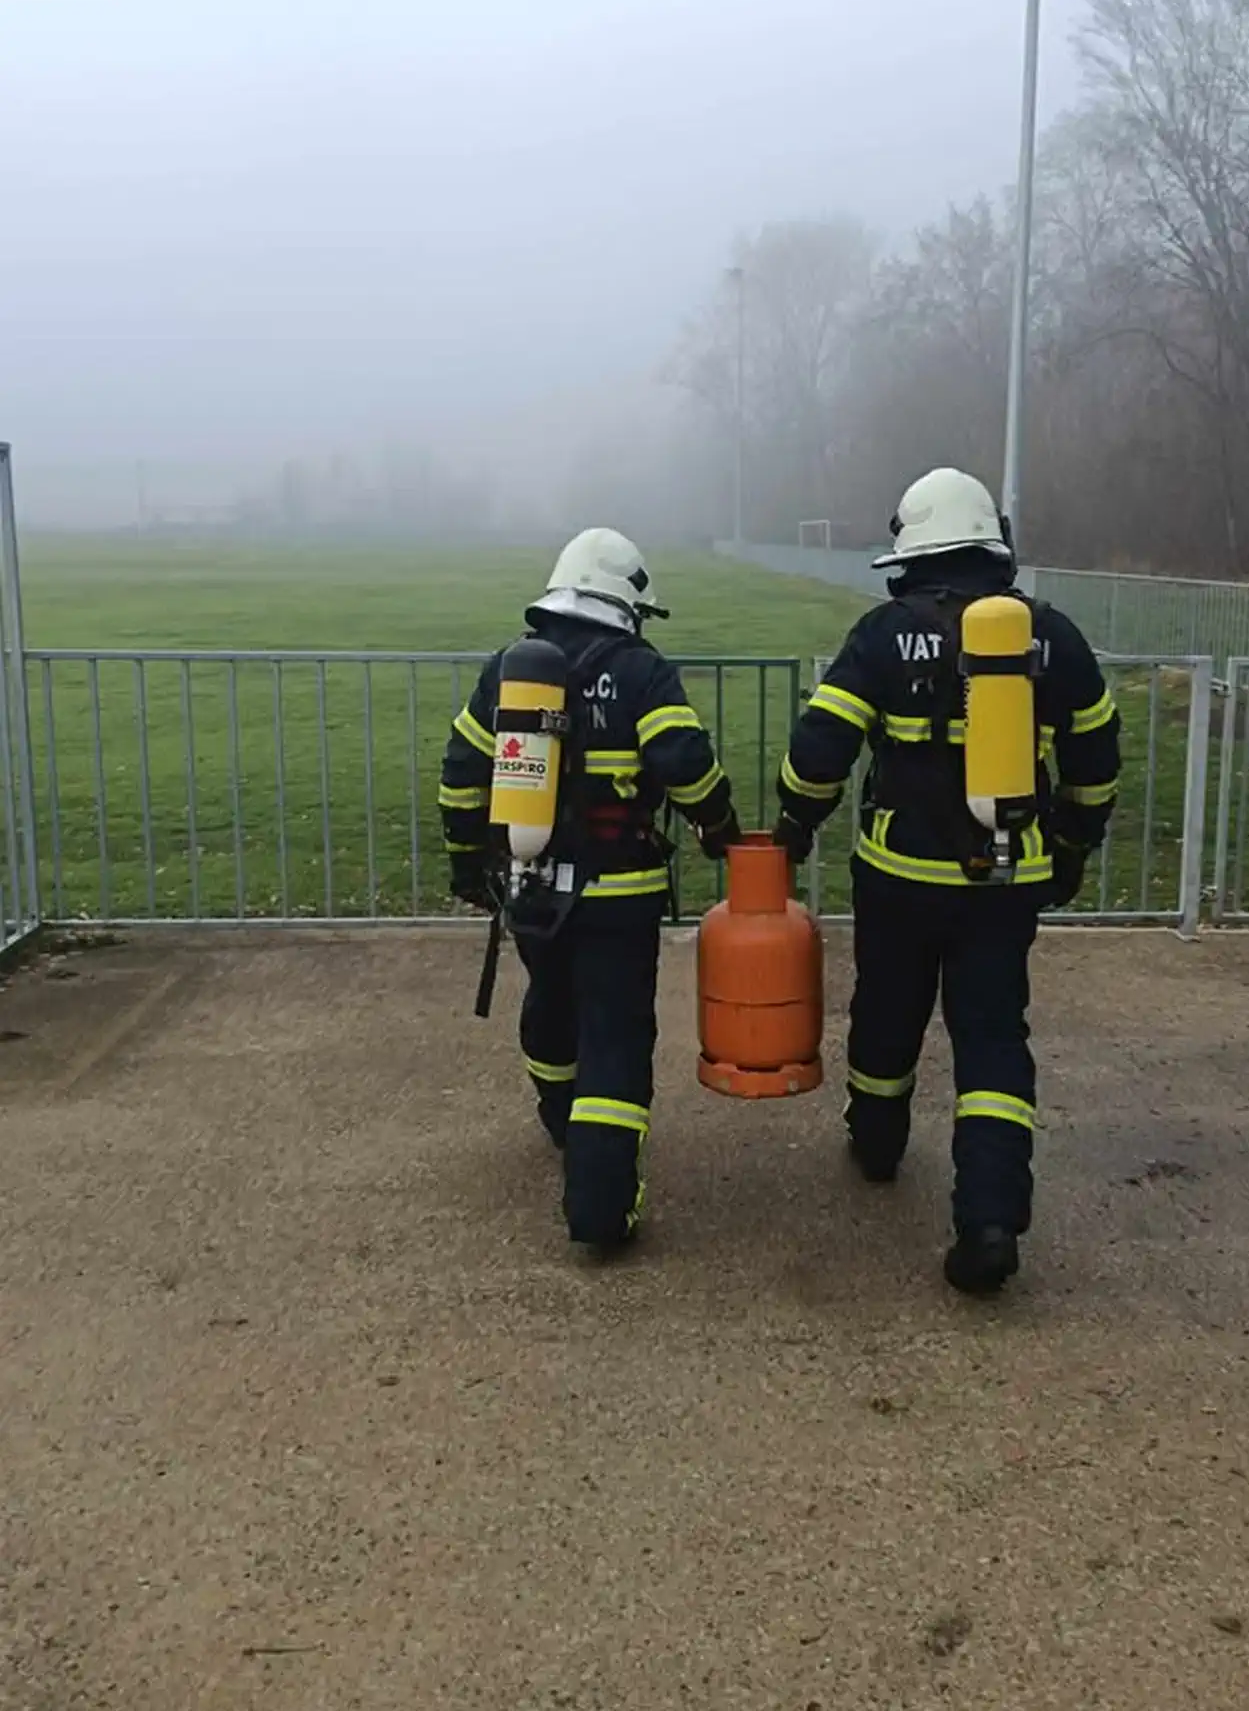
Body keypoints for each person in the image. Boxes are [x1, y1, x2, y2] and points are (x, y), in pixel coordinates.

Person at [772, 469, 1121, 1296]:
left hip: (898, 878)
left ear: (914, 552)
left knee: (888, 1013)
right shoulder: (1052, 637)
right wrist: (1071, 844)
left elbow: (820, 750)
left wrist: (791, 828)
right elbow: (1096, 755)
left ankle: (879, 1144)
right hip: (1007, 882)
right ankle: (990, 1220)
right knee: (994, 1038)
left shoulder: (882, 636)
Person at [440, 528, 739, 1252]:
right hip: (619, 892)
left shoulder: (511, 670)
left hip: (532, 887)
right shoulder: (639, 671)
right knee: (614, 1033)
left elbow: (459, 774)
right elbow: (684, 761)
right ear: (626, 603)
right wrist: (719, 824)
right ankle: (601, 1209)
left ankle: (558, 1114)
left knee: (551, 998)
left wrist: (466, 867)